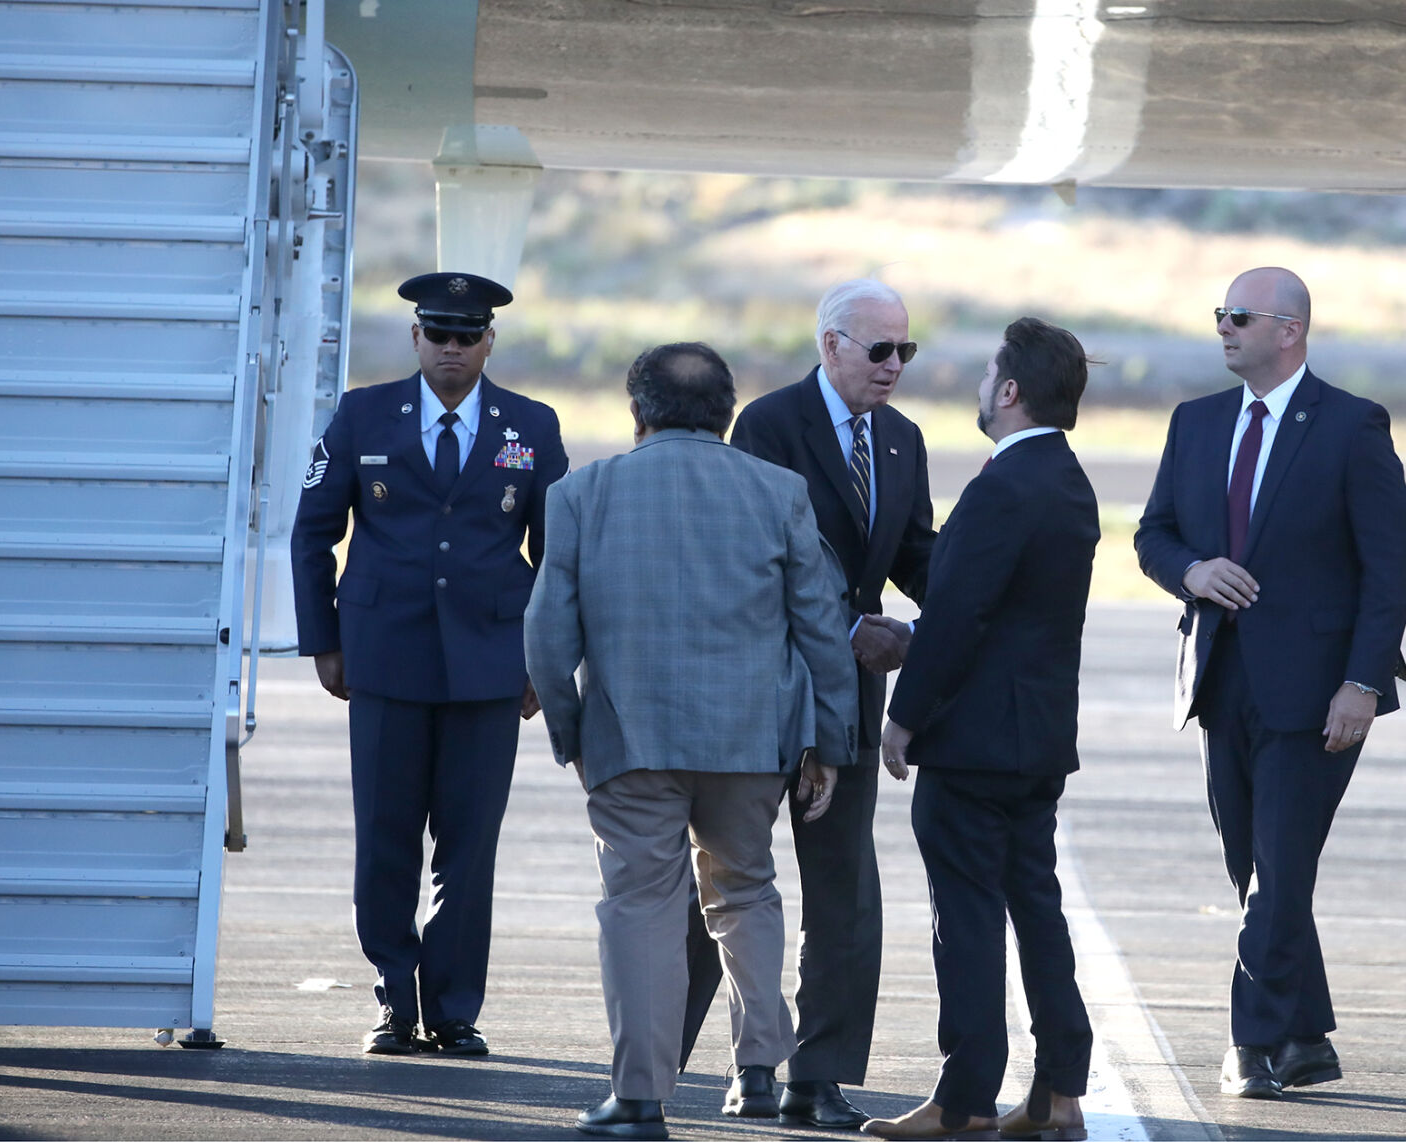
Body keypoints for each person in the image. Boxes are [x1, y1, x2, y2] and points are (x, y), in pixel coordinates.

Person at [524, 343, 860, 1141]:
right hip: (750, 741)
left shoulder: (582, 493)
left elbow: (546, 630)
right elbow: (819, 624)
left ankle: (639, 1098)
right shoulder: (779, 491)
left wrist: (572, 736)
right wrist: (828, 744)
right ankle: (757, 1073)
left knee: (638, 906)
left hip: (628, 737)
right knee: (745, 893)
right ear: (728, 413)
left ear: (636, 410)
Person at [1134, 267, 1406, 1098]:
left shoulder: (1351, 425)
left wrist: (1361, 682)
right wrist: (1191, 570)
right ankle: (1304, 1038)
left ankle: (1250, 1044)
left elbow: (1388, 566)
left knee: (1280, 873)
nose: (1221, 327)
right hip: (1219, 683)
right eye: (1219, 314)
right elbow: (1152, 534)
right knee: (1255, 869)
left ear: (1287, 330)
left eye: (1236, 316)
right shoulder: (1195, 423)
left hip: (1320, 693)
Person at [290, 271, 569, 1056]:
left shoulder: (532, 425)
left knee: (469, 843)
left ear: (489, 341)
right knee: (384, 837)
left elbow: (557, 555)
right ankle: (394, 998)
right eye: (437, 333)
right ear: (415, 338)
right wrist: (325, 640)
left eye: (467, 335)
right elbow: (312, 533)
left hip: (489, 661)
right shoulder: (362, 413)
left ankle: (453, 1008)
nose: (452, 348)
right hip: (384, 657)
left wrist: (543, 660)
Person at [680, 278, 936, 1129]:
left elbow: (914, 557)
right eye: (879, 350)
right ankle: (715, 1063)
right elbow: (753, 561)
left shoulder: (900, 440)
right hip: (760, 694)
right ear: (830, 345)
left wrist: (977, 607)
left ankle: (815, 1075)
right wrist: (852, 625)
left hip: (850, 701)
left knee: (843, 896)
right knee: (723, 887)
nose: (894, 365)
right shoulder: (767, 425)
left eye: (905, 350)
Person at [864, 318, 1099, 1142]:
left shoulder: (1002, 486)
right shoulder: (1067, 480)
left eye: (985, 376)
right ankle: (1058, 1090)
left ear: (1008, 391)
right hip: (1036, 742)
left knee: (963, 918)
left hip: (972, 746)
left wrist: (903, 718)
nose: (976, 389)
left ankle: (963, 1097)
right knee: (1036, 906)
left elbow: (959, 616)